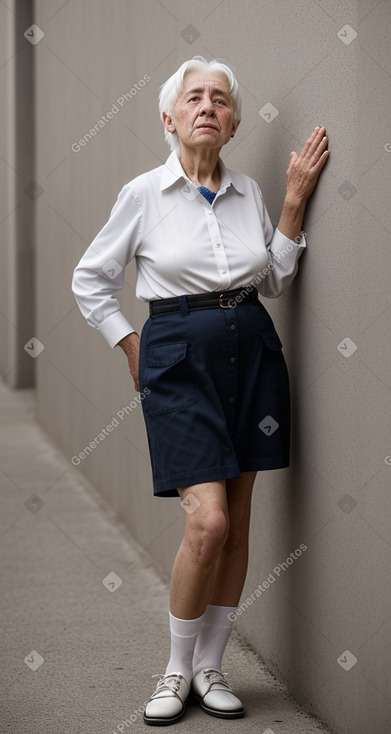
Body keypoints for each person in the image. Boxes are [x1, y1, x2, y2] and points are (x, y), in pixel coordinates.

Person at [71, 55, 329, 726]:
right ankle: (175, 670)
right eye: (193, 98)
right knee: (206, 521)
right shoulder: (142, 195)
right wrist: (131, 346)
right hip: (176, 357)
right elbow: (90, 280)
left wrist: (294, 204)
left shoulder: (247, 193)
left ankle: (212, 668)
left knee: (237, 521)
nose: (206, 106)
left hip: (253, 350)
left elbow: (270, 282)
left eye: (219, 98)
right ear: (169, 118)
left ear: (235, 122)